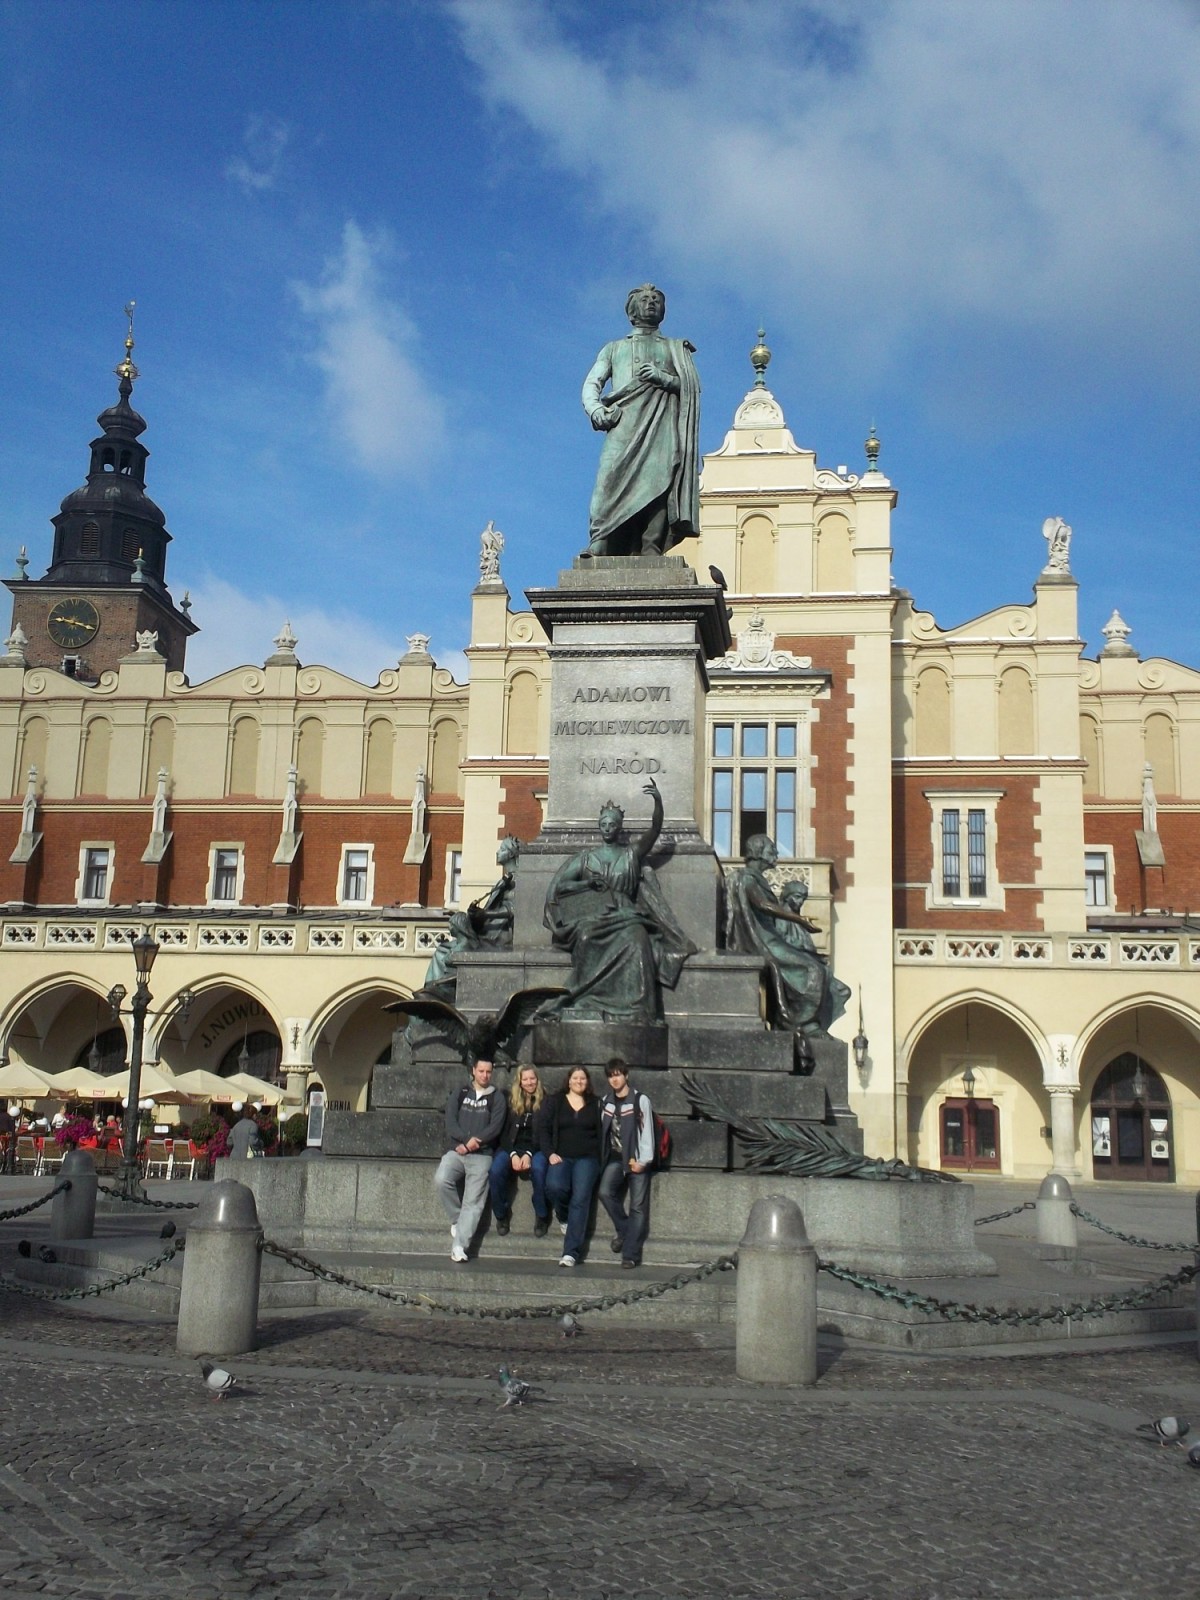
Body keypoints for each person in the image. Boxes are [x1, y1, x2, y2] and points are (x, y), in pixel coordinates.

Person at [544, 779, 695, 1024]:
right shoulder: (586, 858)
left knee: (638, 939)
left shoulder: (631, 853)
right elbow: (562, 886)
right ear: (598, 826)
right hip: (594, 915)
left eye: (612, 824)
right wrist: (587, 885)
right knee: (585, 937)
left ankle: (639, 1009)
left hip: (626, 914)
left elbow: (655, 830)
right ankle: (586, 996)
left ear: (619, 827)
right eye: (603, 824)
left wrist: (658, 802)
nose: (607, 828)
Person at [581, 283, 700, 558]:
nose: (651, 302)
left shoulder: (674, 348)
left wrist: (663, 378)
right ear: (632, 310)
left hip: (661, 425)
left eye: (656, 299)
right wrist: (595, 409)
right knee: (608, 480)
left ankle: (651, 544)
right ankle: (600, 539)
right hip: (623, 423)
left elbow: (691, 388)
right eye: (645, 299)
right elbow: (592, 383)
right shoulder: (614, 348)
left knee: (659, 479)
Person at [726, 837, 850, 1036]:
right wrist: (799, 919)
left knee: (820, 969)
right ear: (758, 852)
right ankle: (802, 1022)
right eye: (771, 849)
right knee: (811, 969)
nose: (776, 853)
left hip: (773, 939)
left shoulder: (758, 880)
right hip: (764, 942)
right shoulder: (747, 878)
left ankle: (805, 1021)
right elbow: (763, 905)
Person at [435, 1058, 506, 1263]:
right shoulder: (461, 1092)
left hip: (482, 1155)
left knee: (473, 1203)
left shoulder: (497, 1097)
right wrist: (466, 1141)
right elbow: (451, 1122)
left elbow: (495, 1127)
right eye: (481, 1071)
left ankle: (459, 1246)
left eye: (488, 1072)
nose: (485, 1075)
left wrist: (475, 1143)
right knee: (441, 1180)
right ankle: (458, 1219)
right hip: (457, 1151)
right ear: (473, 1071)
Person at [540, 1067, 603, 1267]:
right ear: (568, 1081)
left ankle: (571, 1252)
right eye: (575, 1078)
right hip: (561, 1156)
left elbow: (604, 1132)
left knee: (580, 1200)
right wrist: (550, 1153)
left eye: (582, 1078)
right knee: (554, 1186)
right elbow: (543, 1129)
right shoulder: (555, 1101)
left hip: (588, 1158)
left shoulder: (596, 1103)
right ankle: (564, 1216)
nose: (579, 1081)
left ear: (587, 1081)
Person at [597, 1058, 655, 1269]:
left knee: (638, 1207)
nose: (615, 1079)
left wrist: (644, 1160)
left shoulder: (640, 1100)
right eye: (611, 1076)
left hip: (637, 1158)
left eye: (618, 1075)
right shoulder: (605, 1102)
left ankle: (630, 1255)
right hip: (615, 1159)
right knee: (604, 1192)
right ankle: (625, 1229)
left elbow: (647, 1131)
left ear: (626, 1075)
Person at [489, 1067, 550, 1238]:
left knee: (539, 1170)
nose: (529, 1082)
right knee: (495, 1171)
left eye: (532, 1078)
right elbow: (503, 1133)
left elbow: (546, 1133)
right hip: (511, 1147)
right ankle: (501, 1214)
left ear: (537, 1080)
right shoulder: (511, 1101)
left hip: (537, 1148)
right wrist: (513, 1154)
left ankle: (542, 1214)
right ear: (520, 1082)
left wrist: (529, 1153)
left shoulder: (547, 1101)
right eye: (525, 1079)